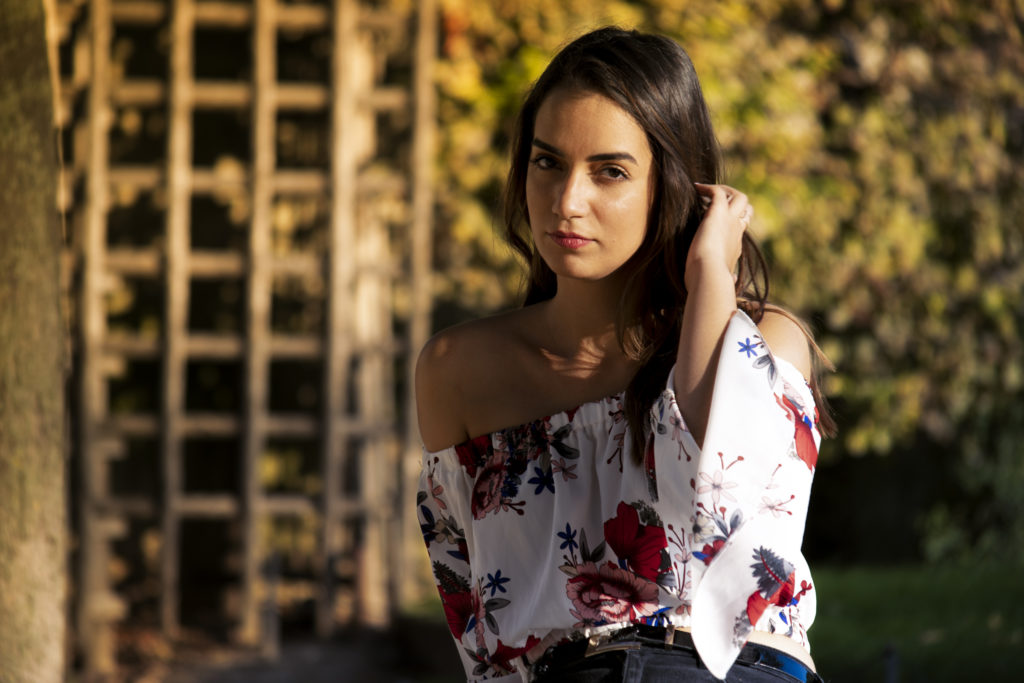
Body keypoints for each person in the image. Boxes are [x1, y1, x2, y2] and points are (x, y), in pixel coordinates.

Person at [415, 26, 834, 683]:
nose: (566, 201)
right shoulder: (460, 370)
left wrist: (710, 281)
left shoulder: (766, 343)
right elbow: (477, 630)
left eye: (609, 171)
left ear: (670, 184)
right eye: (547, 161)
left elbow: (715, 503)